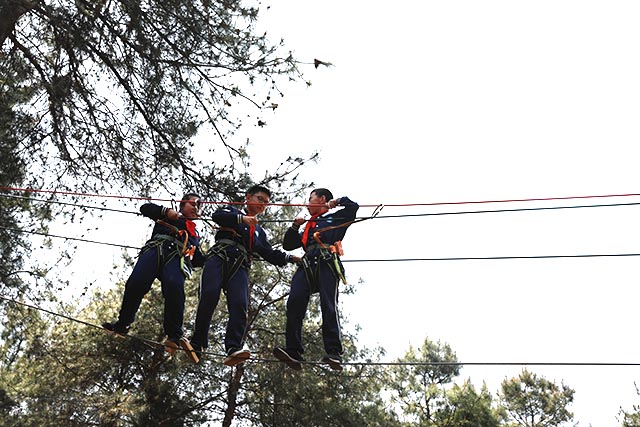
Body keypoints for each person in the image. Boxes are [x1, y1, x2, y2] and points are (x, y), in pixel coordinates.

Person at [190, 185, 300, 366]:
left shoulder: (259, 232)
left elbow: (268, 252)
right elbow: (217, 216)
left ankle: (233, 348)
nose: (262, 205)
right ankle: (198, 343)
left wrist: (289, 257)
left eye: (266, 203)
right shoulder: (231, 211)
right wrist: (241, 218)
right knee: (209, 296)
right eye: (259, 199)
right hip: (219, 255)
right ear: (248, 197)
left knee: (240, 304)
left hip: (240, 264)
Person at [103, 193, 206, 363]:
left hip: (176, 257)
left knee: (174, 286)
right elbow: (145, 208)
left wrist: (214, 259)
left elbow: (198, 258)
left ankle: (174, 334)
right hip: (156, 249)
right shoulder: (170, 215)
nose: (196, 207)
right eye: (193, 203)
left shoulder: (194, 233)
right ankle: (123, 323)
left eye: (199, 206)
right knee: (136, 283)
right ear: (182, 204)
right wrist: (166, 212)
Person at [273, 188, 359, 371]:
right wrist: (294, 226)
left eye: (310, 198)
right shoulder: (308, 225)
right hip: (307, 264)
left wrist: (337, 201)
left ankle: (334, 352)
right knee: (294, 302)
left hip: (326, 262)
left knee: (328, 305)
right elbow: (288, 244)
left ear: (321, 199)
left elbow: (353, 207)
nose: (307, 202)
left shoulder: (335, 218)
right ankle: (293, 351)